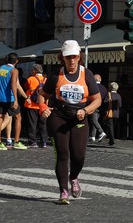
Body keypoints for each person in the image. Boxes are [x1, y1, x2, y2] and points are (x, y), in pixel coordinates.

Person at [39, 40, 102, 205]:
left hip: (79, 117)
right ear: (62, 58)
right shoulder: (56, 75)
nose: (71, 61)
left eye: (74, 57)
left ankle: (73, 177)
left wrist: (86, 110)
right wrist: (43, 107)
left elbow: (97, 100)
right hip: (59, 116)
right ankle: (63, 191)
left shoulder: (86, 74)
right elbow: (42, 95)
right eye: (68, 57)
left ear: (79, 57)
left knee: (78, 156)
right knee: (62, 154)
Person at [0, 52, 27, 151]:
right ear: (17, 61)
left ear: (6, 60)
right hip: (9, 98)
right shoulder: (14, 71)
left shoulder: (0, 68)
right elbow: (14, 85)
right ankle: (17, 141)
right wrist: (15, 100)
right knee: (18, 117)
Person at [24, 64, 48, 148]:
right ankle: (44, 141)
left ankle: (32, 142)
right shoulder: (46, 80)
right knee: (43, 123)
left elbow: (26, 87)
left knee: (32, 124)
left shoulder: (30, 79)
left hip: (31, 104)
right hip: (43, 105)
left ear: (34, 71)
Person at [88, 73, 107, 143]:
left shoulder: (93, 87)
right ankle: (92, 136)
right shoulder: (104, 88)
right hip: (101, 106)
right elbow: (106, 98)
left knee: (93, 120)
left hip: (93, 105)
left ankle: (101, 132)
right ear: (100, 79)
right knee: (95, 120)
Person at [103, 82, 122, 146]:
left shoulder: (108, 94)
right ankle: (114, 137)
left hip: (109, 113)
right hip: (116, 113)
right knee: (114, 126)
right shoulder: (119, 95)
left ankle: (112, 139)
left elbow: (105, 103)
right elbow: (120, 105)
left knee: (110, 126)